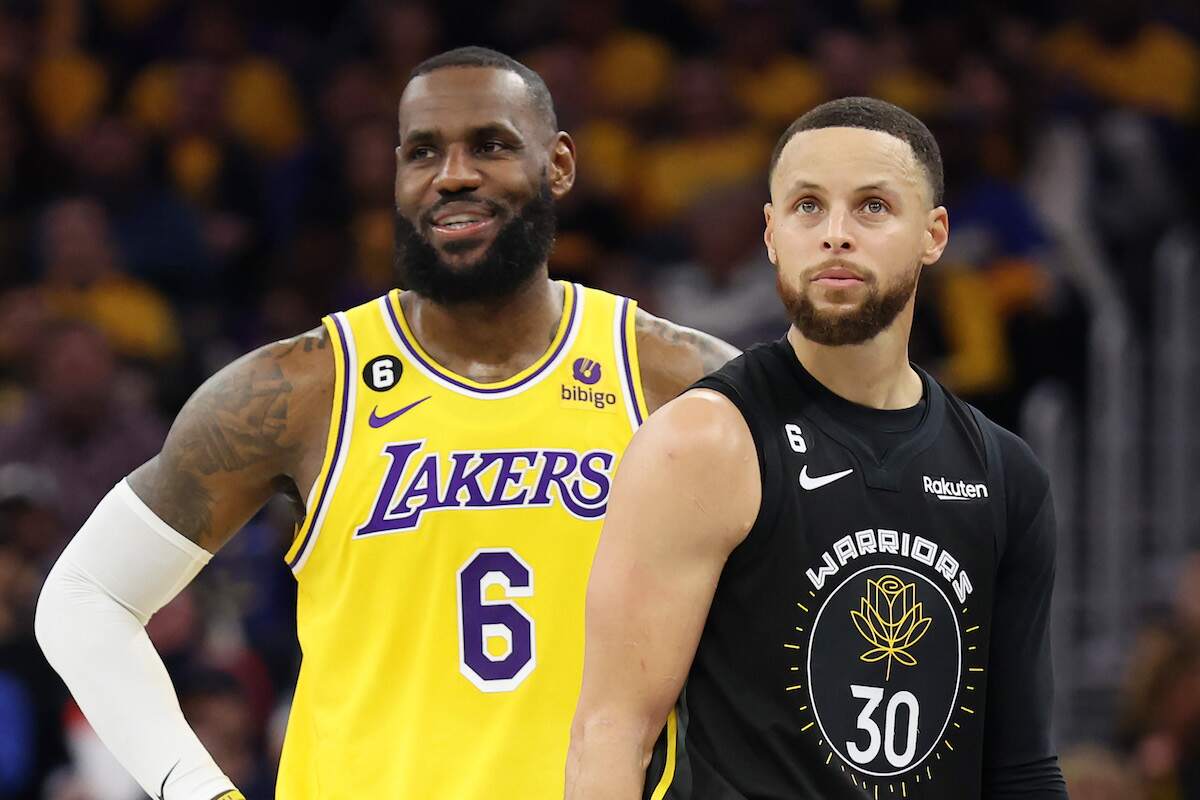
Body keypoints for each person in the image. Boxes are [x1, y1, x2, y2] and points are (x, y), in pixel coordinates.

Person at [35, 47, 737, 800]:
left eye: (491, 145)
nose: (453, 174)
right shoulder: (302, 389)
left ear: (559, 164)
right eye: (423, 152)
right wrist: (197, 789)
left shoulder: (678, 383)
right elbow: (83, 599)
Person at [566, 97, 1069, 799]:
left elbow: (1019, 767)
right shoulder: (704, 440)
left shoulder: (1007, 474)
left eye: (872, 207)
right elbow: (612, 732)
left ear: (934, 235)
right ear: (771, 233)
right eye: (807, 206)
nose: (835, 234)